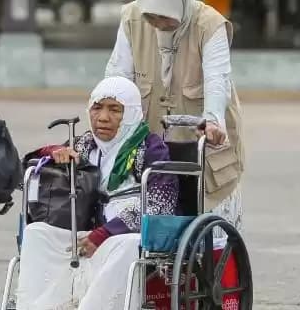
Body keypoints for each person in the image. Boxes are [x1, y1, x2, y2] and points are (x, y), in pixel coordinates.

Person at [104, 0, 244, 231]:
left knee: (208, 220)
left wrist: (214, 122)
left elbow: (218, 79)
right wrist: (109, 112)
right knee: (153, 215)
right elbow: (118, 75)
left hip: (202, 139)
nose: (157, 23)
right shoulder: (132, 18)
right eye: (151, 17)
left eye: (164, 17)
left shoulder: (209, 24)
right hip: (154, 139)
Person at [15, 76, 178, 310]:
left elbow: (160, 205)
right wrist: (52, 152)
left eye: (115, 110)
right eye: (97, 107)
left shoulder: (150, 148)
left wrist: (106, 233)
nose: (103, 117)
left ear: (131, 112)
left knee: (126, 245)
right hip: (86, 229)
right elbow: (24, 174)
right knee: (36, 232)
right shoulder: (84, 144)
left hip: (125, 234)